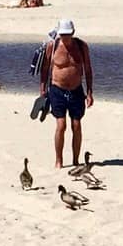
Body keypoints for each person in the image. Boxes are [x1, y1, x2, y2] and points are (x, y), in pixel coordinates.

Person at [40, 18, 93, 167]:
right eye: (63, 34)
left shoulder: (82, 46)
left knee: (76, 125)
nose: (66, 37)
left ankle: (76, 160)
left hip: (76, 90)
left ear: (73, 32)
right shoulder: (53, 46)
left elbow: (88, 70)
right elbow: (45, 69)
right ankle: (59, 160)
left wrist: (89, 92)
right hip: (57, 89)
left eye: (68, 34)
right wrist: (42, 89)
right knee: (61, 125)